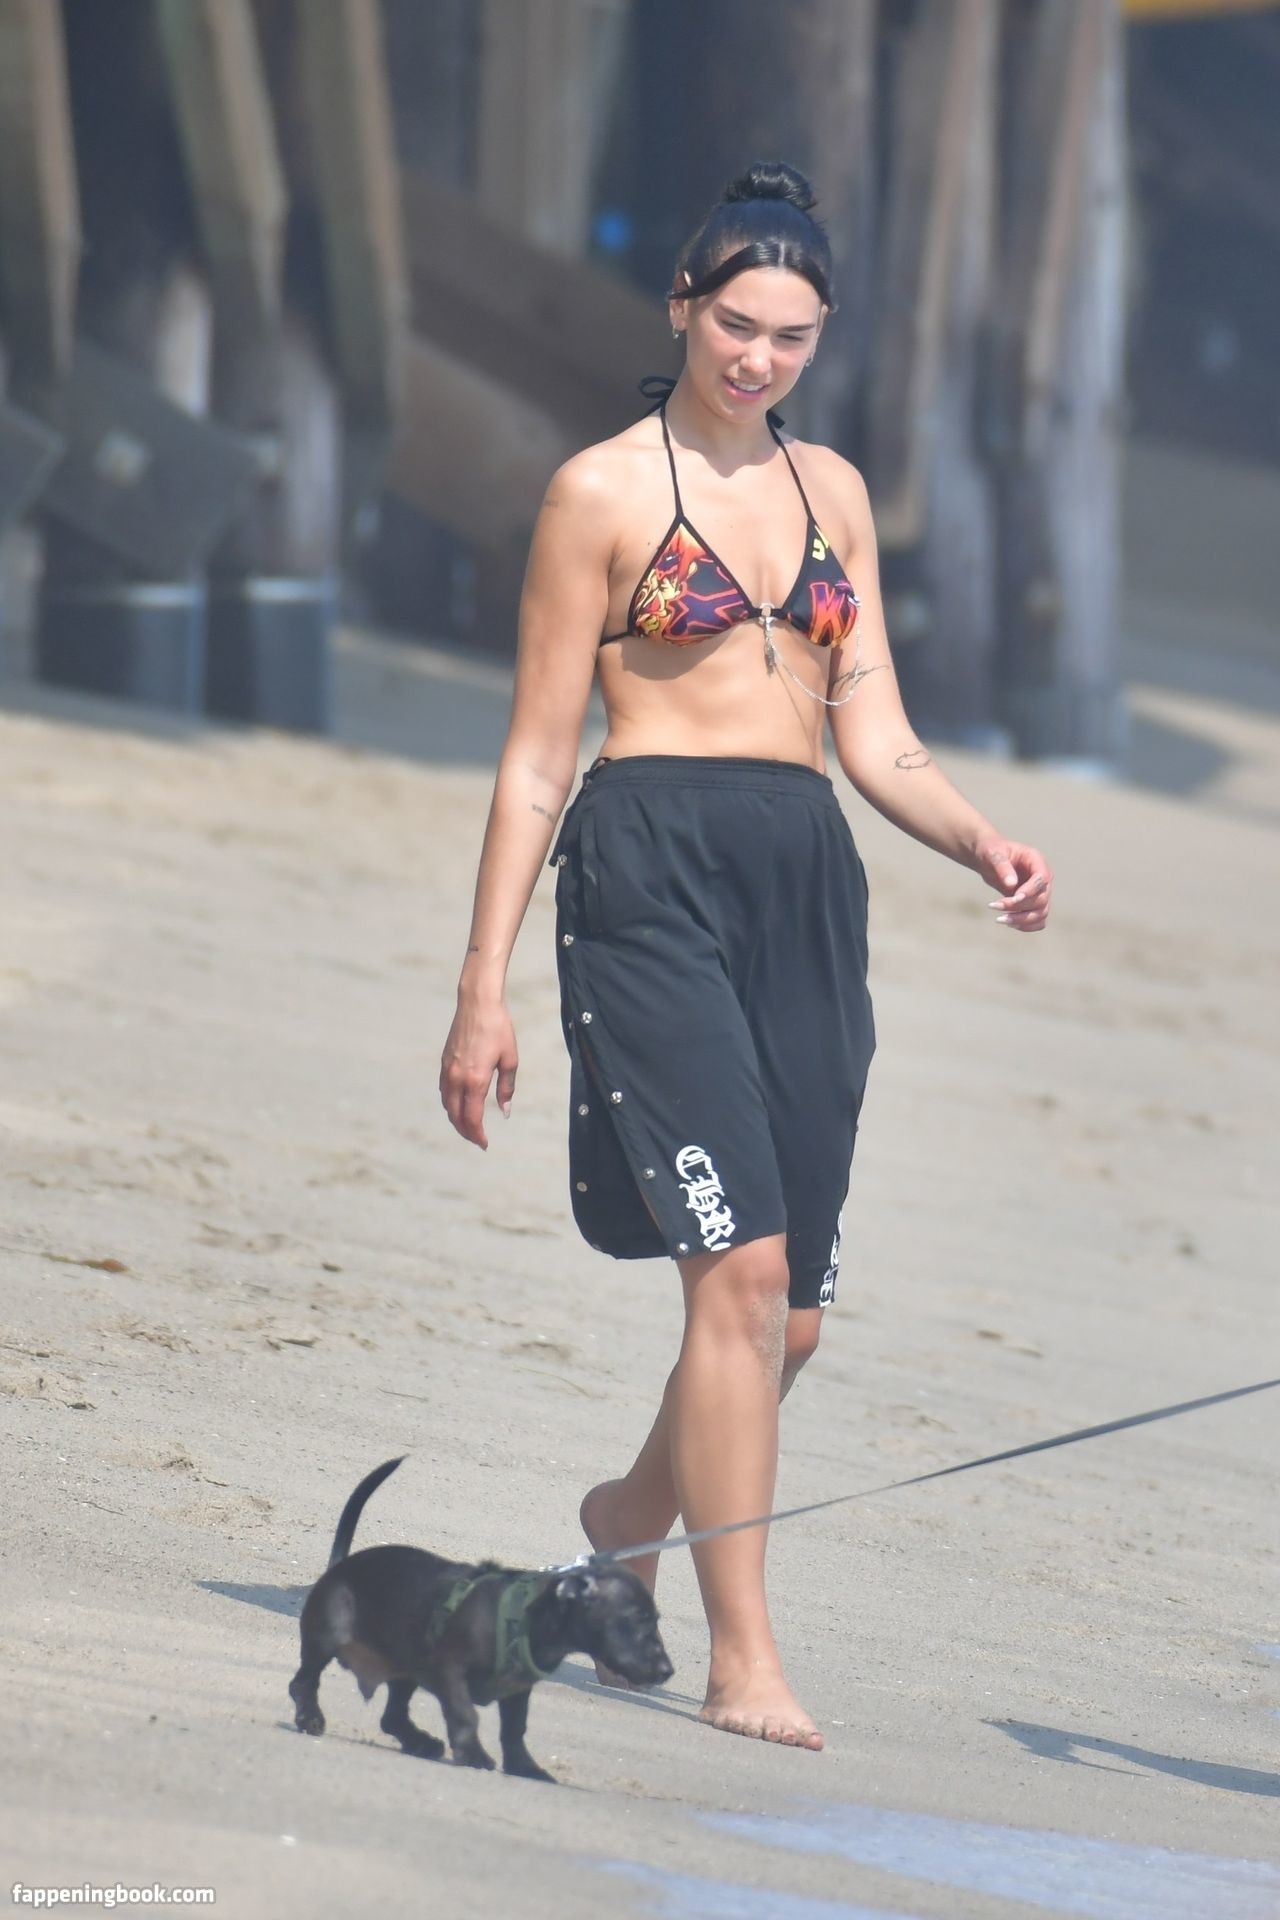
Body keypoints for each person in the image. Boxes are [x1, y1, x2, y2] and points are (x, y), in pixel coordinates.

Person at [440, 161, 1053, 1752]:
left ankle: (625, 1517)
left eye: (790, 336)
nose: (758, 358)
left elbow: (877, 729)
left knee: (795, 1321)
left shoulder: (831, 491)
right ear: (682, 309)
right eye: (735, 325)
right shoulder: (599, 493)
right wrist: (481, 987)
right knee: (744, 1275)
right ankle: (741, 1659)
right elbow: (535, 756)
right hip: (647, 869)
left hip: (803, 883)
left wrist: (980, 837)